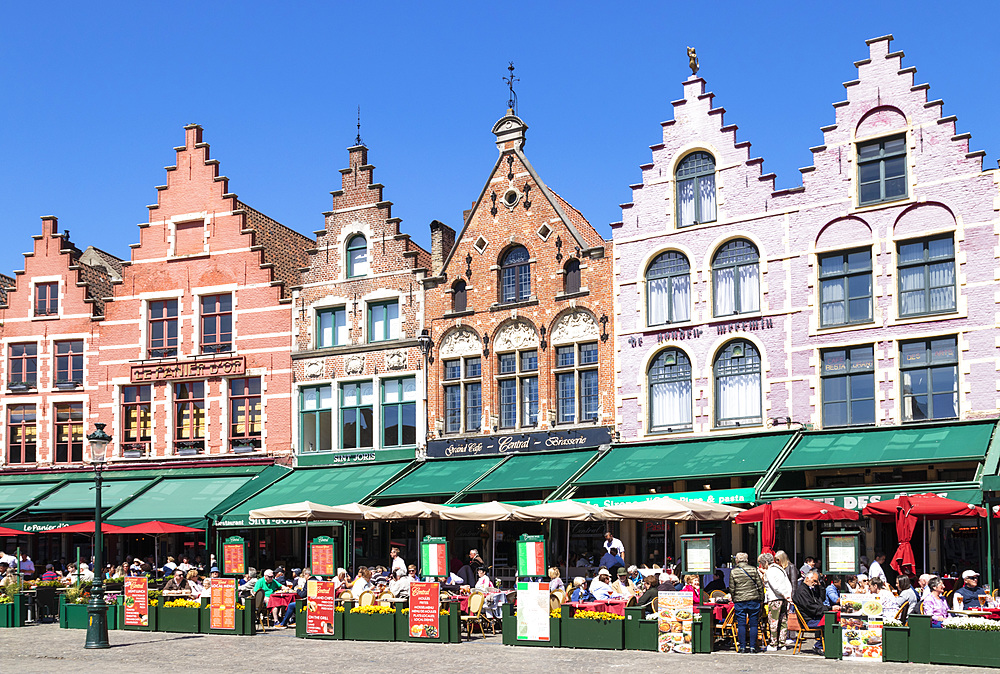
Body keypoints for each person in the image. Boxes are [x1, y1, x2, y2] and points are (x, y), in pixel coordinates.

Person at [731, 552, 766, 654]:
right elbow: (760, 585)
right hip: (753, 599)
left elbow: (732, 588)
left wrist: (734, 598)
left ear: (737, 560)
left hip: (740, 600)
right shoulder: (753, 569)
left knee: (741, 624)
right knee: (753, 624)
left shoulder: (734, 572)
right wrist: (761, 598)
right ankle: (752, 647)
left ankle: (742, 647)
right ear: (746, 560)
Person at [792, 569, 826, 654]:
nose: (815, 583)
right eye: (814, 581)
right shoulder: (802, 592)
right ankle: (819, 645)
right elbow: (811, 607)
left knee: (830, 620)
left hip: (813, 617)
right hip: (808, 620)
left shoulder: (810, 589)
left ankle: (823, 645)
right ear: (807, 579)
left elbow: (820, 600)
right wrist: (827, 609)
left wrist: (819, 585)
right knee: (828, 623)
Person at [763, 552, 792, 651]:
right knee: (783, 621)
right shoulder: (781, 570)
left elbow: (774, 586)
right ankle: (782, 643)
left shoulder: (770, 571)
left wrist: (782, 593)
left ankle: (773, 643)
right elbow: (788, 583)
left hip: (775, 598)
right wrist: (788, 594)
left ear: (766, 562)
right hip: (784, 599)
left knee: (773, 621)